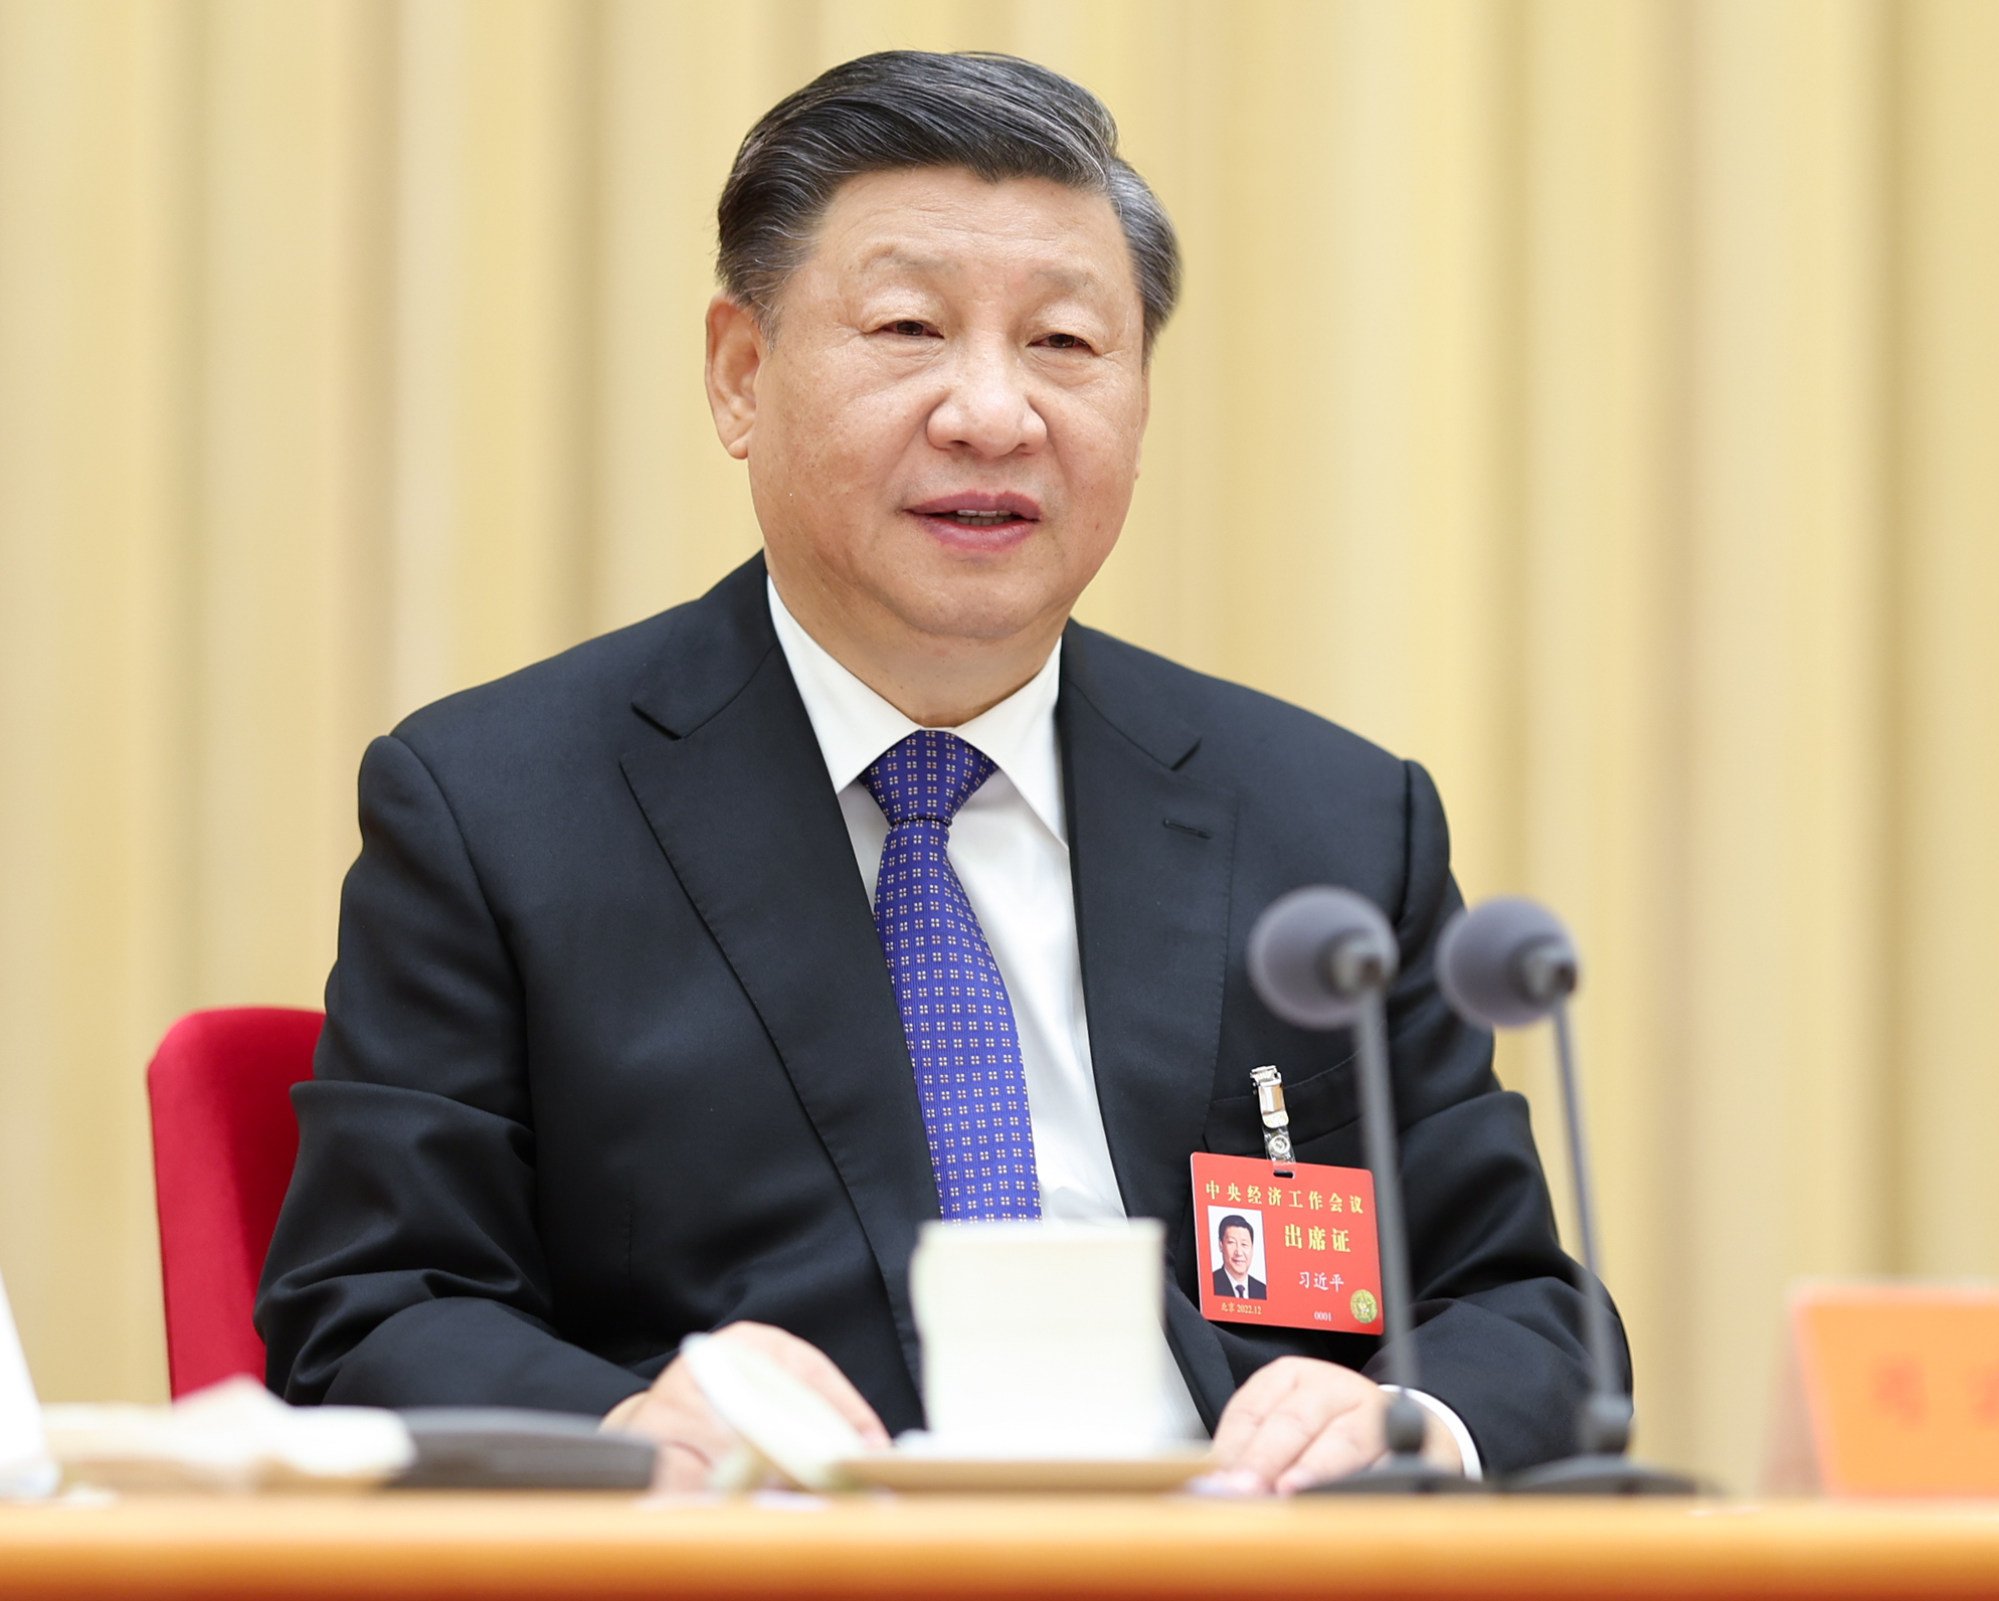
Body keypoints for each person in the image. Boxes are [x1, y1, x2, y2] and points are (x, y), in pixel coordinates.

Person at [258, 49, 1620, 1495]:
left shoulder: (1327, 822)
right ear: (739, 374)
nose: (991, 413)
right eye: (909, 326)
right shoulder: (499, 809)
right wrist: (633, 1427)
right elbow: (373, 1312)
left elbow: (1519, 1310)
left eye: (1064, 346)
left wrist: (1405, 1420)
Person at [1211, 1215, 1266, 1302]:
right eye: (1231, 1242)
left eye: (1244, 1244)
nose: (1239, 1252)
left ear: (1252, 1248)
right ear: (1221, 1245)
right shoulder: (1210, 1284)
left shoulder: (1263, 1290)